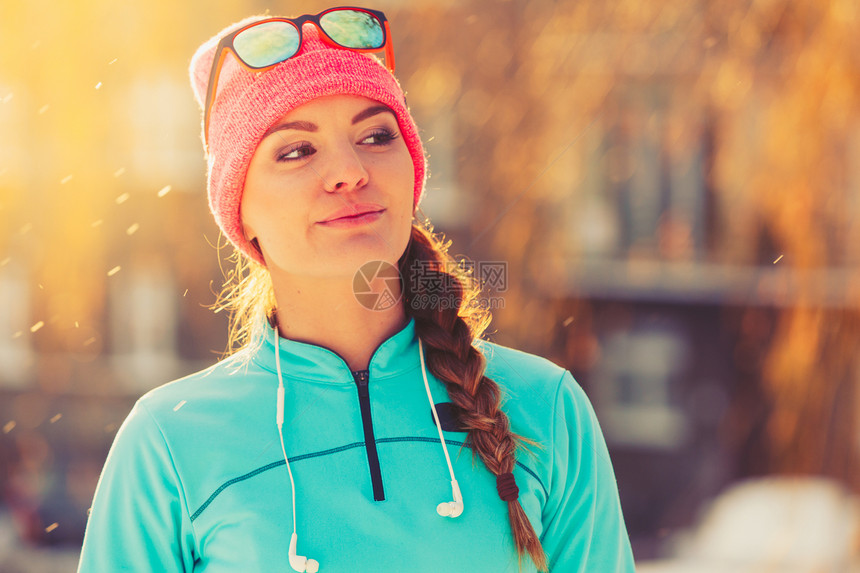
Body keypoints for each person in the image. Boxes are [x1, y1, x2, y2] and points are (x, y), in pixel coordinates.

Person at [77, 7, 635, 572]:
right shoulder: (170, 442)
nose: (350, 171)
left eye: (375, 136)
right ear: (239, 210)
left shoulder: (544, 408)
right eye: (296, 150)